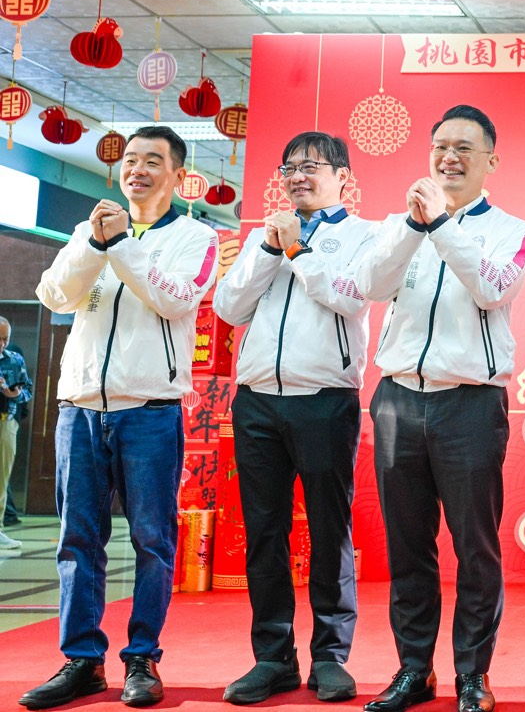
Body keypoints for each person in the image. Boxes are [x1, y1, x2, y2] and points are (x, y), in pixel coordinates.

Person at [24, 125, 218, 709]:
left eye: (152, 161)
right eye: (131, 160)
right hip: (80, 408)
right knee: (77, 539)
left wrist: (121, 248)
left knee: (152, 539)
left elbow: (175, 298)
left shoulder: (196, 237)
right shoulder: (89, 230)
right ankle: (81, 660)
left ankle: (141, 658)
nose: (137, 169)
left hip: (149, 412)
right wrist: (94, 243)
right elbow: (54, 294)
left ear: (177, 176)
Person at [353, 105, 525, 712]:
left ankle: (473, 675)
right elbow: (370, 285)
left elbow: (493, 288)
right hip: (398, 399)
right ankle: (414, 670)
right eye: (440, 147)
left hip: (471, 404)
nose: (449, 158)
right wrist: (413, 225)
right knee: (408, 545)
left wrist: (442, 225)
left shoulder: (511, 230)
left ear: (490, 161)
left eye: (464, 148)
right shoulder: (395, 223)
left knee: (475, 545)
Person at [214, 132, 374, 705]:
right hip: (257, 399)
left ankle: (330, 655)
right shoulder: (263, 235)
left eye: (311, 165)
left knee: (331, 529)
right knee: (264, 530)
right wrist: (267, 249)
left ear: (342, 176)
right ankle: (273, 657)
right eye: (289, 167)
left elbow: (351, 299)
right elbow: (229, 308)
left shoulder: (364, 236)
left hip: (325, 397)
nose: (298, 176)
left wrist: (299, 253)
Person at [0, 316, 32, 550]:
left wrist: (15, 394)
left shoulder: (14, 359)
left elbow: (27, 390)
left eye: (5, 339)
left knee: (2, 477)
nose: (2, 343)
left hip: (7, 421)